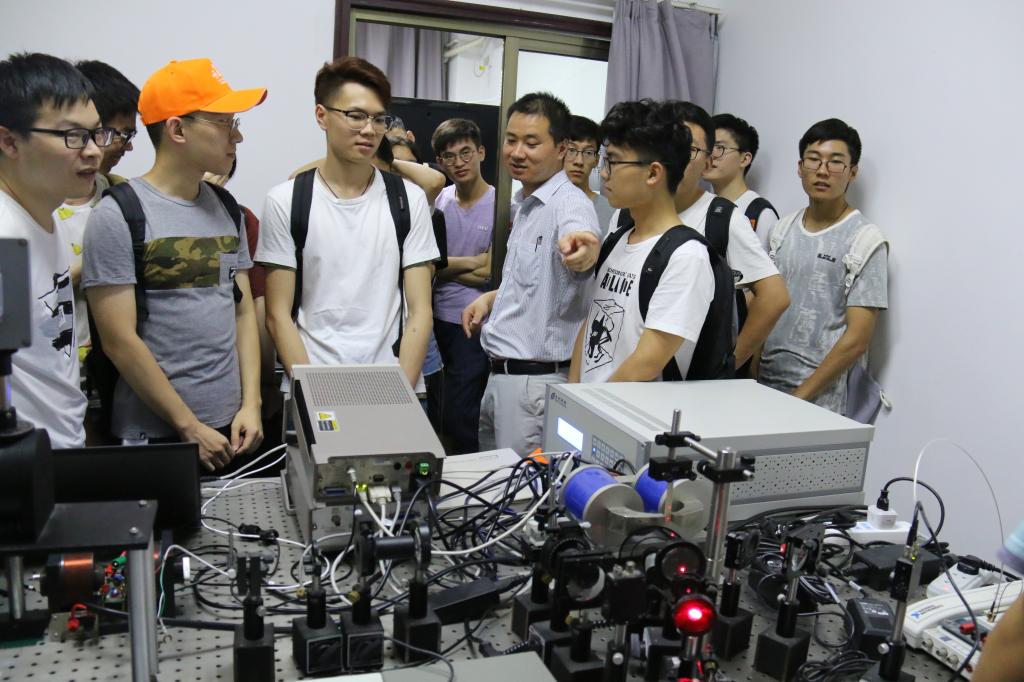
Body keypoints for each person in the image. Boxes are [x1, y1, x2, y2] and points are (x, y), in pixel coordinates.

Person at [82, 58, 266, 470]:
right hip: (155, 436)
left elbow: (240, 312)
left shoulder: (227, 208)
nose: (237, 136)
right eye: (224, 123)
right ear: (177, 130)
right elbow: (119, 341)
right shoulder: (118, 214)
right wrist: (188, 426)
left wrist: (251, 403)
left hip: (231, 427)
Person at [257, 57, 438, 395]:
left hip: (394, 382)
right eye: (355, 116)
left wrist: (398, 395)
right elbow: (277, 315)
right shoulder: (287, 200)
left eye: (378, 118)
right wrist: (315, 396)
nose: (369, 130)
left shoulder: (408, 200)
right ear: (321, 116)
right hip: (312, 382)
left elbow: (420, 311)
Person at [461, 92, 601, 454]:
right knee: (495, 482)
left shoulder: (569, 203)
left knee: (520, 486)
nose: (517, 152)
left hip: (533, 386)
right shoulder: (526, 205)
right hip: (501, 378)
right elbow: (535, 281)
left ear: (561, 148)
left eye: (532, 143)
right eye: (511, 140)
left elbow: (582, 238)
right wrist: (491, 299)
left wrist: (584, 250)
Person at [569, 100, 714, 383]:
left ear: (653, 173)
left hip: (623, 408)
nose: (603, 173)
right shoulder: (618, 238)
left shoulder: (686, 256)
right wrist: (572, 394)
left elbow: (645, 365)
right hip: (587, 403)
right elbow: (590, 324)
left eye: (613, 161)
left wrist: (589, 402)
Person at [0, 52, 103, 448]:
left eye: (97, 133)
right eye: (72, 136)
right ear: (9, 141)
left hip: (58, 450)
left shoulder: (45, 212)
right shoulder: (5, 234)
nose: (93, 150)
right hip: (20, 461)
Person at [757, 118, 889, 417]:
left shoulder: (866, 241)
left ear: (852, 171)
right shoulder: (781, 230)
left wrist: (799, 398)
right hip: (763, 387)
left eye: (836, 162)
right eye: (813, 159)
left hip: (821, 402)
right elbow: (762, 307)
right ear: (800, 167)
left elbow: (857, 339)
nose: (822, 170)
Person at [661, 101, 789, 371]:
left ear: (745, 158)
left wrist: (730, 364)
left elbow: (765, 293)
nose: (713, 157)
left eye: (719, 148)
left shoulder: (752, 213)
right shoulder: (646, 209)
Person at [55, 60, 139, 357]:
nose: (128, 146)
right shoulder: (31, 204)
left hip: (108, 365)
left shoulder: (123, 197)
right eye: (122, 134)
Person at [431, 118, 494, 453]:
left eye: (466, 152)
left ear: (481, 152)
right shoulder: (438, 201)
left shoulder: (502, 205)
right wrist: (471, 263)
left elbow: (490, 273)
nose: (459, 162)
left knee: (462, 413)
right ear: (440, 162)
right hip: (433, 319)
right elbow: (428, 265)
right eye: (449, 156)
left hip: (473, 323)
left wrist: (443, 265)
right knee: (435, 410)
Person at [705, 113, 779, 246]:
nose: (710, 155)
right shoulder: (703, 206)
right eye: (708, 147)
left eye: (720, 148)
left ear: (744, 159)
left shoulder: (760, 214)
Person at [563, 114, 615, 234]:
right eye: (571, 150)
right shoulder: (541, 205)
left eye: (588, 152)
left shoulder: (611, 212)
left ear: (597, 160)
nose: (579, 161)